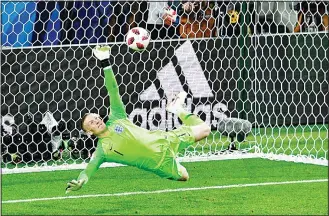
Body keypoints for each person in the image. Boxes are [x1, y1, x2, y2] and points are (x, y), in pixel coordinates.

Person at [65, 45, 211, 193]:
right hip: (159, 164)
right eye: (91, 122)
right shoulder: (102, 151)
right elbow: (89, 169)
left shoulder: (117, 117)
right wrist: (81, 181)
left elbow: (113, 90)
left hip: (165, 140)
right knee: (185, 176)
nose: (96, 120)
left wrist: (105, 62)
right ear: (89, 132)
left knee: (205, 129)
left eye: (96, 117)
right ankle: (176, 113)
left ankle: (177, 109)